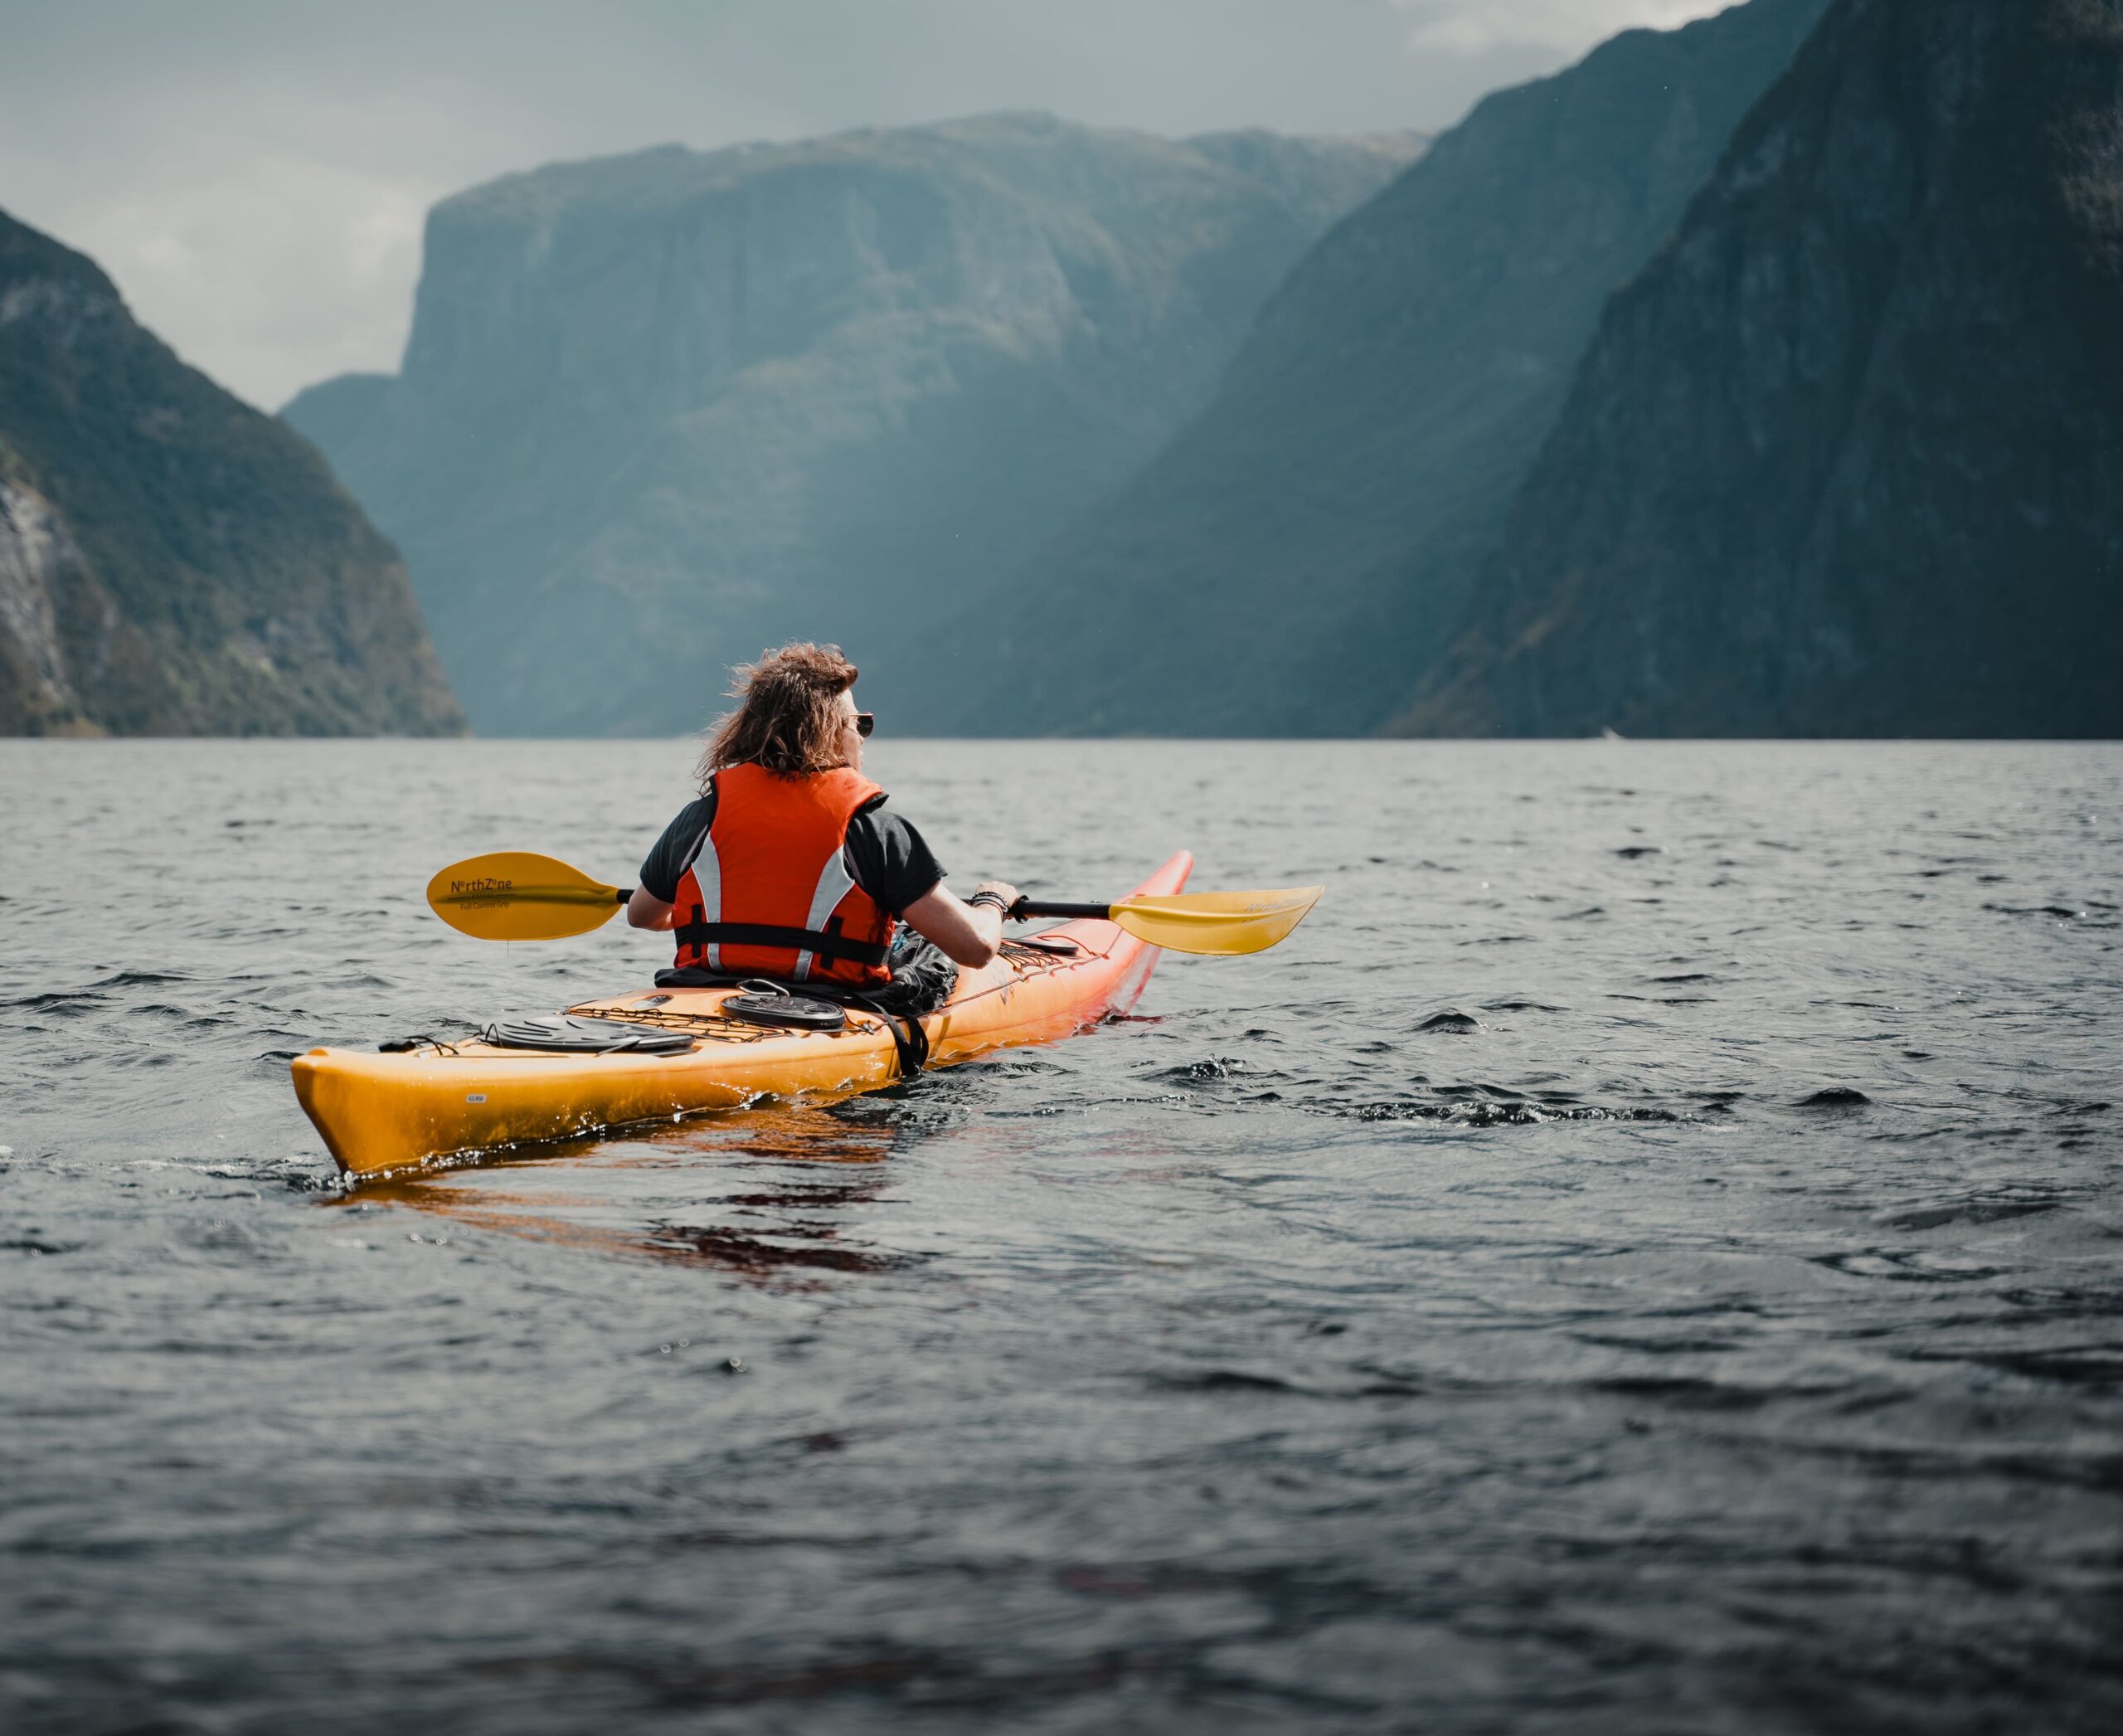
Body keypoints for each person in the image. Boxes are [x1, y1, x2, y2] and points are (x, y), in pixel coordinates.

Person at [626, 643, 1018, 1008]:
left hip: (702, 997)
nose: (863, 739)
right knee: (926, 951)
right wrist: (993, 902)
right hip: (831, 1006)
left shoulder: (701, 816)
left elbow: (642, 915)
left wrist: (738, 919)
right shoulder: (871, 830)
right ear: (829, 730)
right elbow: (977, 948)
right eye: (859, 724)